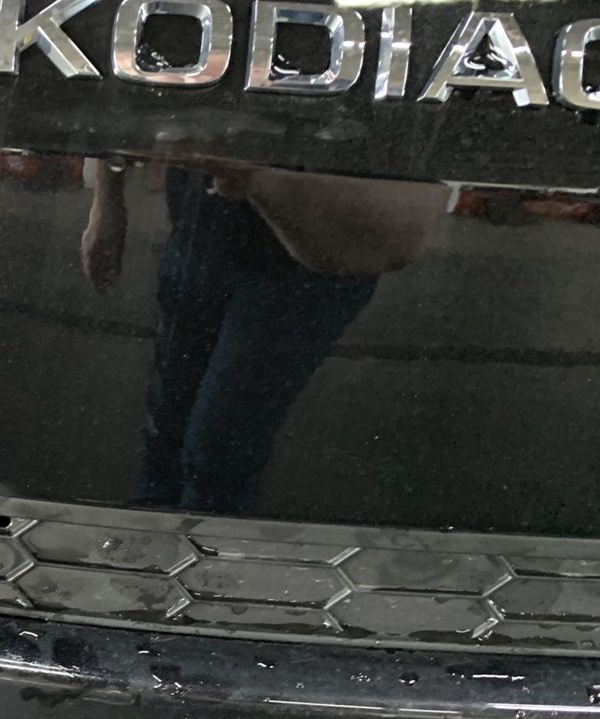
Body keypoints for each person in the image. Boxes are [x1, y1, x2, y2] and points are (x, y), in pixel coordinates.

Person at [82, 158, 449, 514]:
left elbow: (406, 219)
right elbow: (127, 115)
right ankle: (155, 543)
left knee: (218, 448)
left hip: (311, 260)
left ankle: (206, 551)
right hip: (201, 230)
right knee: (168, 429)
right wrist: (106, 203)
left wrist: (257, 181)